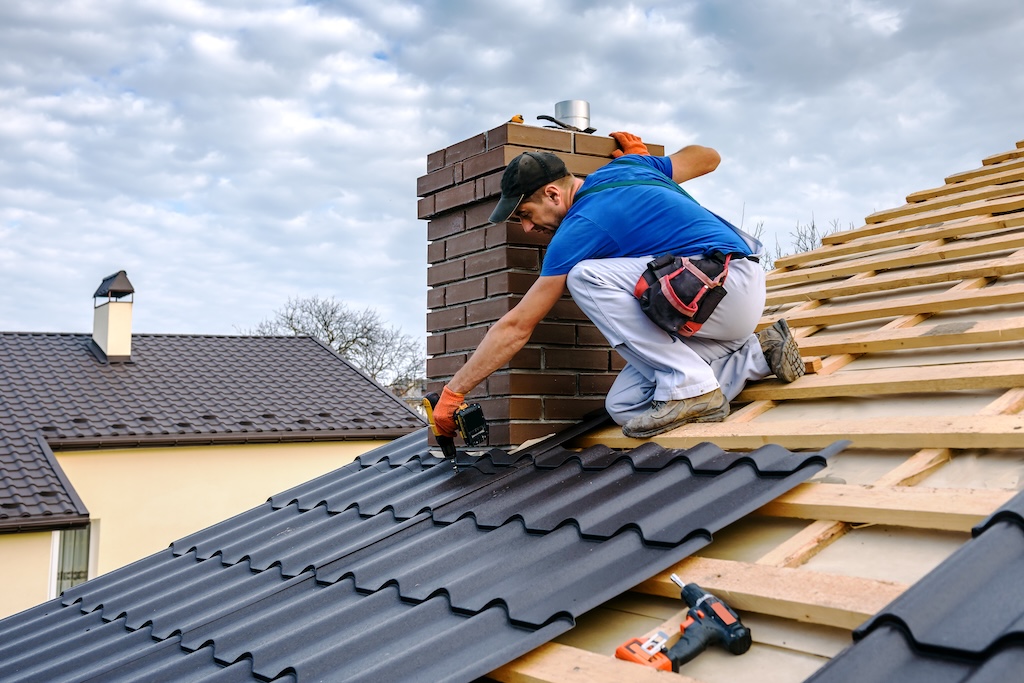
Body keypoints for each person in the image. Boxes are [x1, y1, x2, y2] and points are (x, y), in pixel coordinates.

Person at [432, 131, 803, 440]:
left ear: (552, 194)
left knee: (585, 276)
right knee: (625, 406)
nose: (528, 229)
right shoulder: (631, 166)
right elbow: (709, 157)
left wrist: (455, 392)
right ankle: (758, 355)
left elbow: (517, 326)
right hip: (715, 311)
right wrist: (652, 166)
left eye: (526, 215)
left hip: (723, 285)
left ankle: (691, 385)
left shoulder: (579, 226)